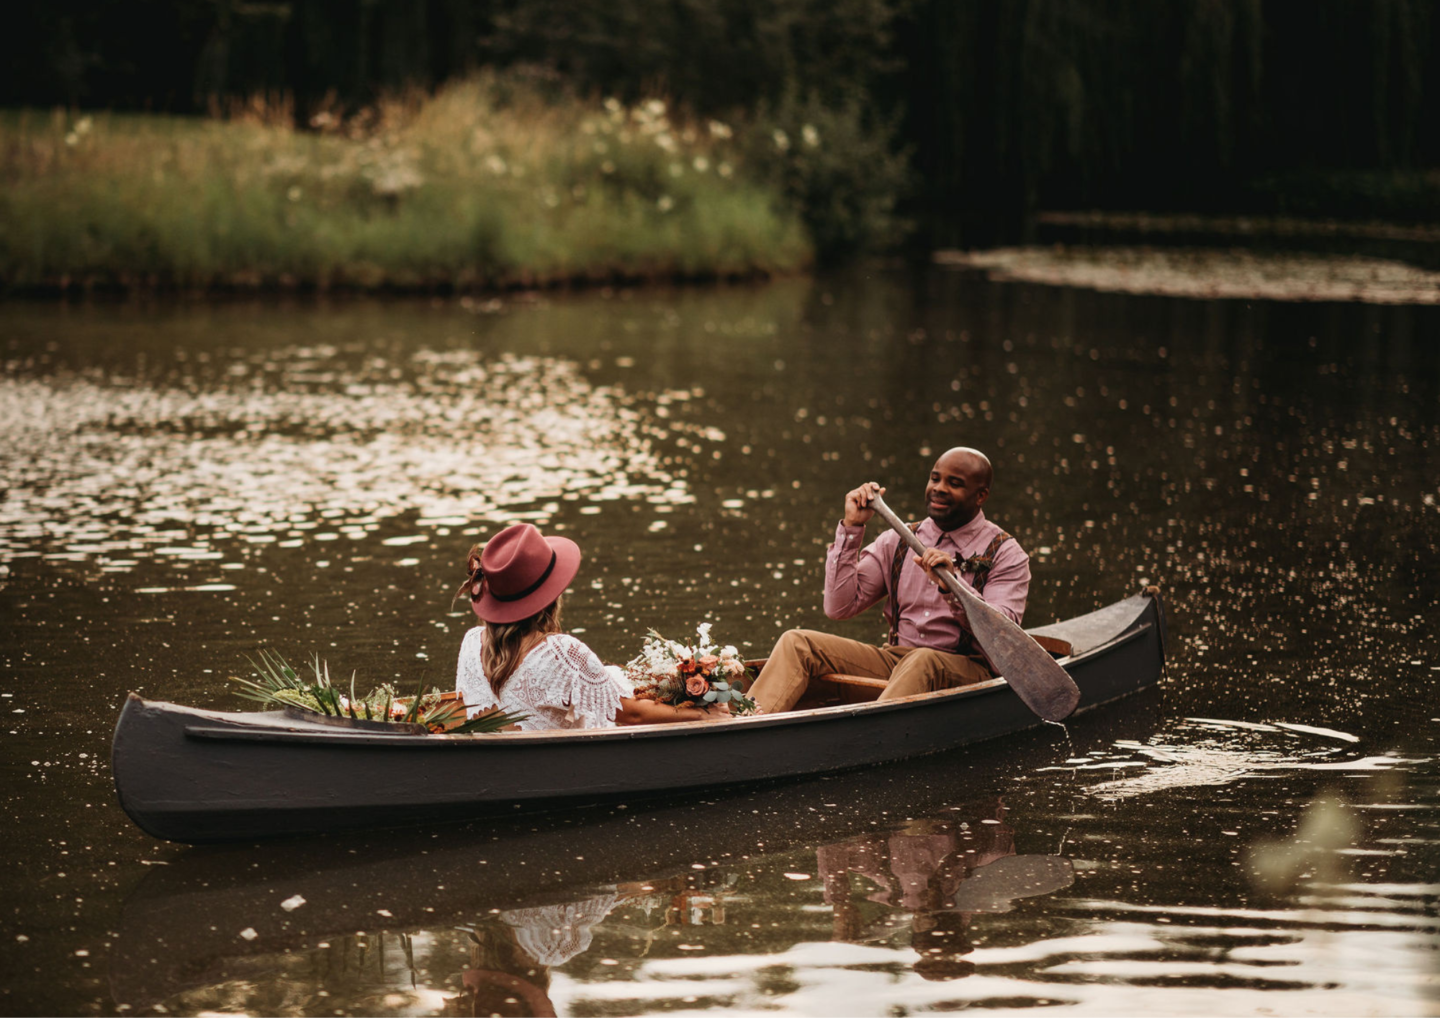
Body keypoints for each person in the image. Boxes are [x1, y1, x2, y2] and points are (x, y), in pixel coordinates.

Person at [747, 446, 1029, 714]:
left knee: (924, 660)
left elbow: (1003, 639)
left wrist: (951, 585)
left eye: (954, 483)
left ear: (980, 496)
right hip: (897, 662)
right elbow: (839, 608)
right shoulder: (897, 539)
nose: (939, 488)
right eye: (935, 478)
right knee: (797, 642)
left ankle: (868, 740)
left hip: (970, 670)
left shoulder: (1006, 553)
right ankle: (743, 726)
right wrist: (852, 527)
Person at [455, 522, 718, 730]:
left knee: (618, 678)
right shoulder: (559, 652)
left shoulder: (471, 642)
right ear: (550, 597)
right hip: (555, 767)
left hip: (503, 765)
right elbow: (633, 716)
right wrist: (702, 716)